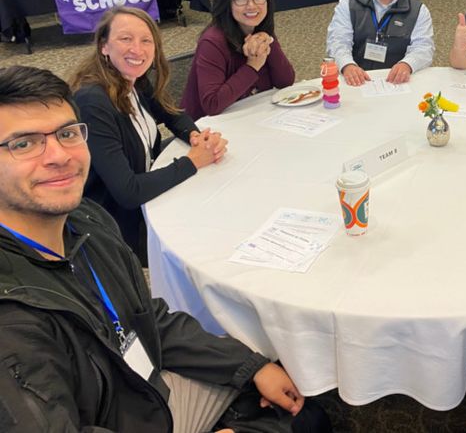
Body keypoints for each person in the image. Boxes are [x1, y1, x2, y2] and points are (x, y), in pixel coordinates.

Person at [0, 65, 331, 433]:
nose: (59, 155)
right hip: (123, 417)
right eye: (24, 143)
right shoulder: (13, 320)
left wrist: (249, 366)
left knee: (299, 405)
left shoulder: (85, 220)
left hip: (144, 390)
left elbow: (146, 318)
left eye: (67, 133)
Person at [71, 7, 228, 265]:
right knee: (214, 230)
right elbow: (128, 192)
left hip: (146, 188)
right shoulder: (93, 102)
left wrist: (196, 137)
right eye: (125, 38)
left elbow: (172, 114)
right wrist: (194, 161)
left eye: (146, 40)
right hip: (119, 224)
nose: (137, 49)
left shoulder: (132, 79)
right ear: (104, 46)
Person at [182, 0, 295, 120]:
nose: (252, 5)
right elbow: (212, 104)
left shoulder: (260, 30)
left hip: (250, 116)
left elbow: (285, 81)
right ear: (227, 3)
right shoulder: (212, 42)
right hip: (207, 129)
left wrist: (268, 41)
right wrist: (253, 66)